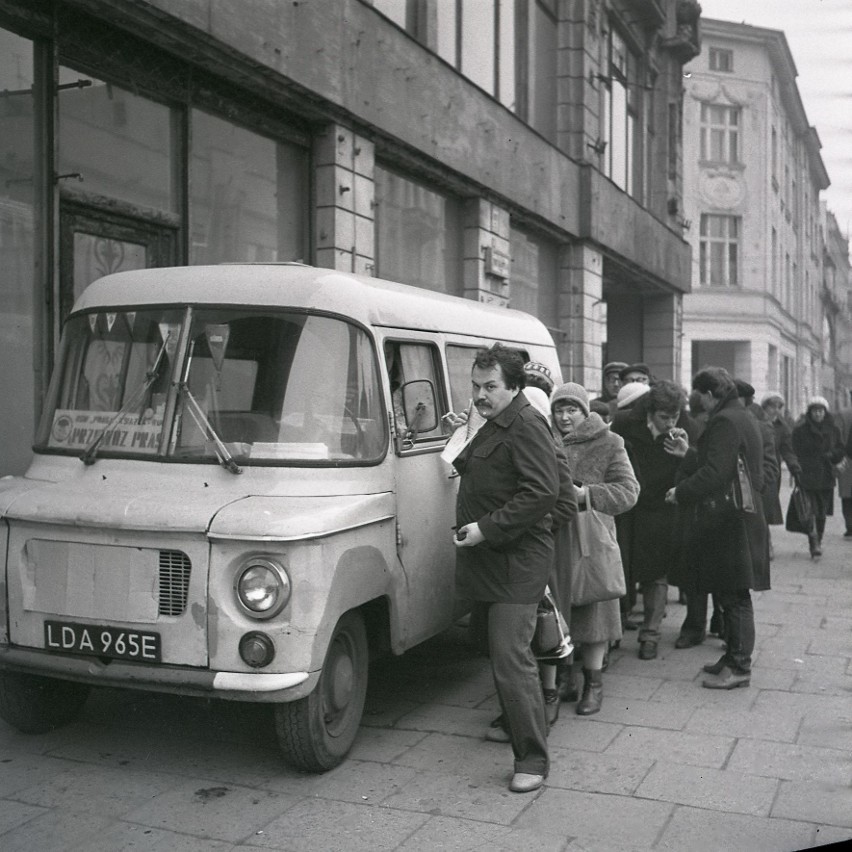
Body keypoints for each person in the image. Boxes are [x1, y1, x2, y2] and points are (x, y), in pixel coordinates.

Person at [453, 344, 561, 794]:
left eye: (490, 387)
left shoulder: (527, 423)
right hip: (495, 559)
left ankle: (532, 760)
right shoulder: (495, 419)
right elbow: (471, 469)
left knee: (511, 660)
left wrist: (485, 529)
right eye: (476, 386)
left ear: (514, 386)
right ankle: (521, 732)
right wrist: (464, 429)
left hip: (518, 560)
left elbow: (542, 493)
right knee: (502, 656)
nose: (481, 394)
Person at [665, 367, 765, 690]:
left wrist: (681, 491)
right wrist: (689, 453)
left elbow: (716, 474)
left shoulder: (724, 420)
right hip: (738, 516)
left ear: (709, 395)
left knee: (734, 595)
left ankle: (739, 666)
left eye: (700, 397)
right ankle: (732, 658)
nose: (700, 404)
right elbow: (723, 463)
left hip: (729, 519)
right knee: (730, 591)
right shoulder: (740, 414)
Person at [550, 382, 639, 714]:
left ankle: (594, 685)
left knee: (595, 618)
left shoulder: (609, 442)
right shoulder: (544, 439)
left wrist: (586, 495)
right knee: (556, 616)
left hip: (593, 542)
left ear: (585, 412)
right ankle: (562, 680)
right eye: (559, 409)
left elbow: (629, 492)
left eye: (571, 409)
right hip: (554, 540)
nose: (564, 417)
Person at [612, 381, 694, 659]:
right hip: (628, 510)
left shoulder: (686, 429)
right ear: (650, 411)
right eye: (664, 417)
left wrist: (686, 454)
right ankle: (614, 632)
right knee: (621, 570)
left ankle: (650, 634)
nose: (670, 423)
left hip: (661, 510)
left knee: (656, 574)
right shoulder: (624, 423)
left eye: (675, 417)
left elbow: (699, 468)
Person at [791, 397, 846, 557]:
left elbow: (841, 449)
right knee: (808, 510)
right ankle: (813, 541)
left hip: (826, 475)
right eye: (815, 411)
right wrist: (796, 469)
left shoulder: (833, 430)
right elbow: (794, 450)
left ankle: (818, 540)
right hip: (806, 475)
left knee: (821, 512)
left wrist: (831, 455)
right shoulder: (800, 430)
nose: (818, 414)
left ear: (825, 412)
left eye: (821, 411)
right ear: (810, 412)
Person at [759, 392, 802, 553]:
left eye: (779, 407)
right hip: (755, 468)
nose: (776, 410)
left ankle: (766, 543)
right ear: (765, 407)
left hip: (771, 473)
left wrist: (795, 467)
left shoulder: (782, 428)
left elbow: (787, 450)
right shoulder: (755, 422)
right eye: (772, 406)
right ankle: (764, 542)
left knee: (767, 508)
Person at [831, 404, 852, 538]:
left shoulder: (842, 414)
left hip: (846, 461)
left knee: (847, 495)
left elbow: (836, 438)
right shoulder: (843, 414)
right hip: (847, 461)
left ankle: (850, 527)